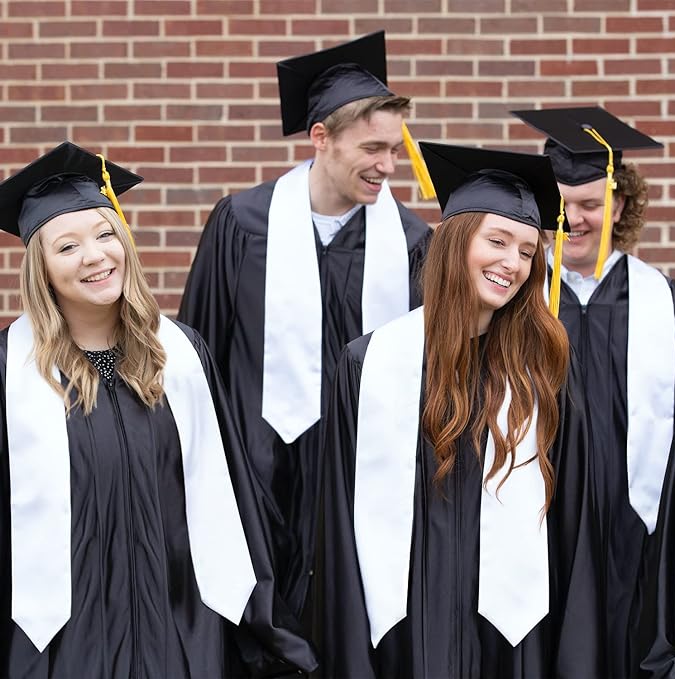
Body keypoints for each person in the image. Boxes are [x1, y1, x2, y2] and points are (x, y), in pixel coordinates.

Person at [0, 142, 318, 678]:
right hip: (63, 642)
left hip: (180, 627)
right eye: (68, 246)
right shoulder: (12, 369)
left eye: (106, 234)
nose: (97, 256)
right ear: (43, 270)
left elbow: (232, 495)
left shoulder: (183, 355)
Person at [317, 142, 603, 677]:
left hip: (515, 641)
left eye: (526, 250)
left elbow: (575, 533)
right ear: (453, 243)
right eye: (497, 241)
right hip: (404, 638)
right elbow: (338, 523)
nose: (512, 263)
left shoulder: (545, 372)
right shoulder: (369, 363)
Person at [177, 31, 432, 625]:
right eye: (373, 148)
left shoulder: (414, 245)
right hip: (253, 472)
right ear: (321, 138)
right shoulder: (241, 223)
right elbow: (199, 349)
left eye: (395, 150)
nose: (387, 166)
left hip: (359, 475)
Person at [513, 106, 675, 677]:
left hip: (635, 524)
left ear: (621, 204)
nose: (574, 219)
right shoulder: (519, 300)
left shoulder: (664, 303)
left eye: (590, 204)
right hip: (537, 519)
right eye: (561, 204)